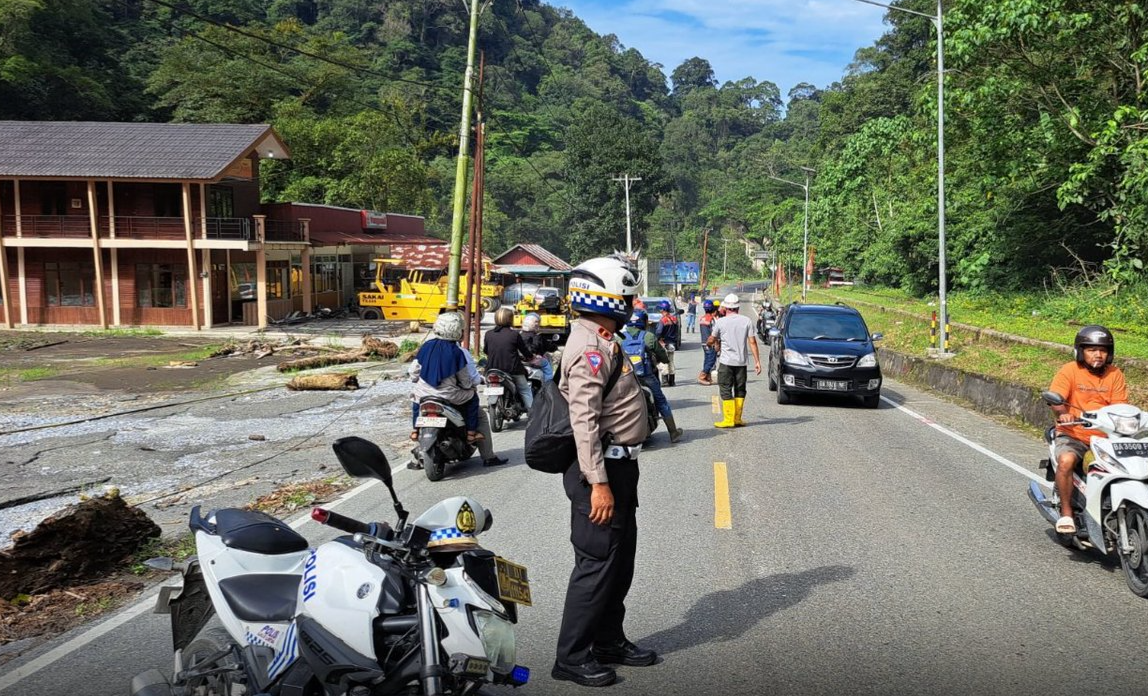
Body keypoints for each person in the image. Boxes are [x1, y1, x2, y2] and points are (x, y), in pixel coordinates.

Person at [554, 253, 655, 688]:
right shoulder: (591, 348)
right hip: (600, 474)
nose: (632, 304)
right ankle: (572, 657)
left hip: (620, 470)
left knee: (619, 561)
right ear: (606, 298)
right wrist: (598, 483)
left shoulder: (603, 338)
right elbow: (585, 421)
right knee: (596, 565)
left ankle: (609, 640)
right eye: (626, 296)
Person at [1047, 325, 1128, 533]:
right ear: (1080, 351)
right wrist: (1063, 413)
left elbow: (1120, 406)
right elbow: (1057, 399)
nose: (1098, 355)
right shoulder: (1070, 370)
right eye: (1092, 350)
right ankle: (1066, 514)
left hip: (1105, 438)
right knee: (1066, 461)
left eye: (1102, 350)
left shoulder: (1114, 374)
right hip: (1074, 433)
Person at [409, 312, 482, 443]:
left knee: (416, 396)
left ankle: (415, 430)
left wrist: (417, 379)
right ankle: (471, 433)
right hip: (448, 396)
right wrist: (469, 388)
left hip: (425, 394)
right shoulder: (457, 352)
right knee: (473, 397)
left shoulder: (426, 346)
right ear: (458, 330)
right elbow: (465, 381)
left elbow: (413, 371)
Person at [622, 309, 684, 443]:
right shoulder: (648, 336)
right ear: (643, 322)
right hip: (646, 376)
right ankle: (673, 433)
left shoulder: (619, 338)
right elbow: (662, 355)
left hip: (626, 378)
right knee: (661, 401)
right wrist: (664, 360)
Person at [708, 293, 761, 428]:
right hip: (741, 363)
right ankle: (737, 419)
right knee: (740, 389)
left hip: (726, 362)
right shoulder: (747, 321)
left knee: (725, 388)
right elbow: (753, 342)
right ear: (738, 307)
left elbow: (712, 339)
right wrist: (757, 362)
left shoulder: (720, 322)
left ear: (725, 307)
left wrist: (709, 342)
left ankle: (728, 419)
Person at [483, 307, 535, 410]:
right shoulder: (514, 335)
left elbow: (486, 351)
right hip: (512, 369)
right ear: (510, 319)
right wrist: (531, 357)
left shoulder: (488, 334)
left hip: (492, 369)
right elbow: (525, 352)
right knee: (524, 389)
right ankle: (532, 413)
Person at [521, 312, 557, 382]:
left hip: (521, 360)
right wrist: (555, 348)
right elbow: (549, 347)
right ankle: (548, 385)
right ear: (535, 325)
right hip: (532, 359)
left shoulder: (519, 334)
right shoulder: (538, 336)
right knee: (546, 365)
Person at [655, 300, 680, 386]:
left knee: (664, 362)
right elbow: (677, 331)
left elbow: (658, 332)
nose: (660, 311)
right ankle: (672, 381)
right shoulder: (674, 319)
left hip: (664, 343)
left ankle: (665, 381)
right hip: (672, 343)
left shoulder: (663, 320)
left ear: (663, 309)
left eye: (661, 309)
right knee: (671, 361)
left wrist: (658, 339)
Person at [698, 299, 717, 385]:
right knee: (711, 360)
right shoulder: (711, 319)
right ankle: (702, 376)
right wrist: (716, 343)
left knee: (707, 359)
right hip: (710, 342)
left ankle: (707, 377)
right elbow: (714, 332)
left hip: (703, 342)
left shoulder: (702, 318)